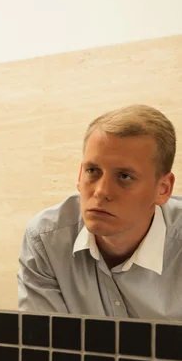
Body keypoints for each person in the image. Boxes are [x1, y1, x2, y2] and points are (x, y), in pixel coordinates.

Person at [18, 104, 182, 319]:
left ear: (163, 189)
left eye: (125, 176)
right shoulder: (46, 239)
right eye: (93, 171)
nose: (101, 191)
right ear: (79, 175)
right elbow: (44, 345)